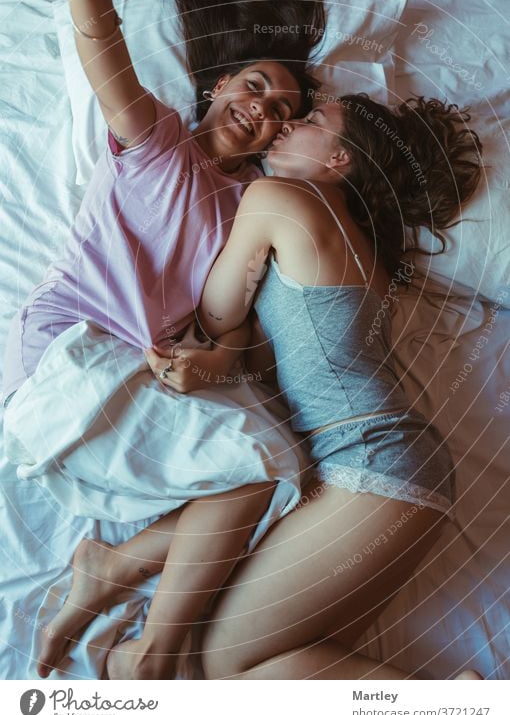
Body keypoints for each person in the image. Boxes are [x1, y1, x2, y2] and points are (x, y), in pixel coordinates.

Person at [1, 0, 326, 678]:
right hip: (68, 356)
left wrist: (223, 362)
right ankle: (141, 630)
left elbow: (244, 339)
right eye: (256, 84)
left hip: (135, 371)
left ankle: (114, 583)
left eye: (284, 109)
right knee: (263, 467)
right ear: (218, 85)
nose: (266, 110)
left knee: (281, 469)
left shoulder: (257, 209)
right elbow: (101, 49)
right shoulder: (161, 142)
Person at [54, 91, 482, 680]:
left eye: (311, 122)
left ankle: (453, 707)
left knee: (228, 666)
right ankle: (115, 566)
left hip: (374, 465)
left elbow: (216, 312)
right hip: (388, 468)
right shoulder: (365, 255)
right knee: (257, 676)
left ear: (340, 160)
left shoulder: (280, 197)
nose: (285, 125)